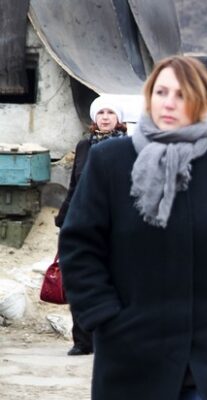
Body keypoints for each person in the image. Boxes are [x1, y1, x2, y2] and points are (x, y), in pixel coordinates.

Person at [58, 55, 207, 400]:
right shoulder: (110, 160)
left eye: (181, 93)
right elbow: (80, 244)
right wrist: (103, 316)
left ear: (202, 100)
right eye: (161, 92)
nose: (169, 102)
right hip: (132, 346)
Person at [54, 96, 127, 356]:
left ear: (119, 118)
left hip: (117, 226)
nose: (105, 117)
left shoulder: (129, 147)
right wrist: (64, 217)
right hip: (84, 222)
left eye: (111, 112)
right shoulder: (84, 147)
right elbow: (75, 185)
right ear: (94, 118)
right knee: (81, 279)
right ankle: (83, 340)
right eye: (101, 112)